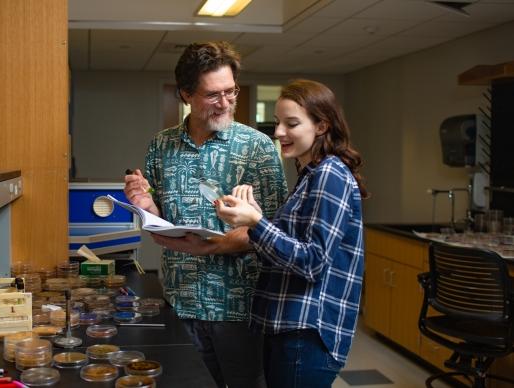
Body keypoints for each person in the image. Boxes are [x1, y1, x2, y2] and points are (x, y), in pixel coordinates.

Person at [123, 41, 287, 388]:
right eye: (214, 95)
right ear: (186, 95)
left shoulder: (258, 148)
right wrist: (144, 203)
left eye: (231, 91)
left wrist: (212, 246)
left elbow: (274, 231)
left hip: (238, 307)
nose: (226, 102)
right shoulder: (161, 145)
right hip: (178, 300)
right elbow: (163, 217)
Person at [215, 79, 368, 388]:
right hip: (288, 327)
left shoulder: (330, 174)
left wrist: (257, 222)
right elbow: (289, 247)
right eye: (278, 122)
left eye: (291, 123)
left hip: (306, 333)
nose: (279, 132)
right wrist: (253, 218)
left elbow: (312, 261)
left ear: (322, 125)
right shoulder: (309, 175)